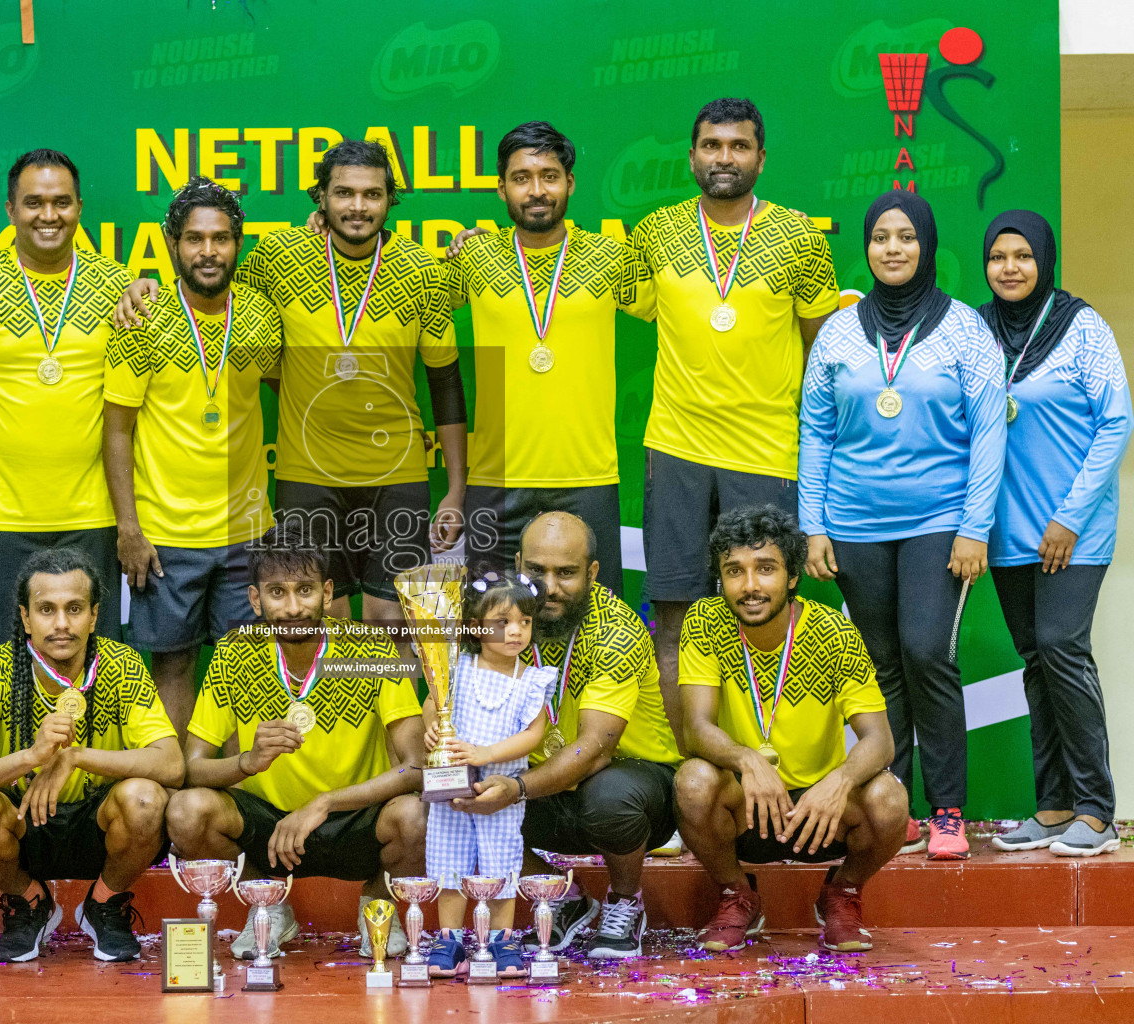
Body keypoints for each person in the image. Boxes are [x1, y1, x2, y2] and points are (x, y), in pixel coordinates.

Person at [117, 140, 468, 634]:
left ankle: (403, 715)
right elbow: (209, 284)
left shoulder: (421, 270)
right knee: (325, 618)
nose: (358, 206)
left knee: (394, 621)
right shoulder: (280, 256)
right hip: (307, 473)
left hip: (397, 472)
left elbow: (446, 382)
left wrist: (454, 489)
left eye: (372, 194)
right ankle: (342, 715)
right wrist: (143, 285)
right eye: (343, 193)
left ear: (391, 199)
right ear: (320, 199)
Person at [800, 190, 1006, 859]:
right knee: (880, 664)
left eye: (906, 237)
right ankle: (894, 800)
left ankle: (946, 808)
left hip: (939, 522)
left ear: (926, 245)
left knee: (926, 653)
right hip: (853, 523)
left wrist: (975, 525)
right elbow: (816, 430)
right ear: (867, 247)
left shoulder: (965, 330)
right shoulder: (837, 330)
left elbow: (987, 434)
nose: (892, 249)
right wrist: (814, 525)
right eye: (881, 237)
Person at [626, 98, 839, 742]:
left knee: (764, 617)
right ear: (692, 156)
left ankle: (762, 773)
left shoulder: (801, 237)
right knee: (676, 616)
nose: (725, 158)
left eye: (739, 146)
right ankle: (681, 784)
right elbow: (588, 280)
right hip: (676, 449)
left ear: (761, 158)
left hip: (766, 454)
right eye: (712, 146)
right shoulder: (654, 232)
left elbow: (820, 348)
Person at [165, 521, 426, 962]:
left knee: (418, 815)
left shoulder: (370, 650)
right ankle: (269, 906)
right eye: (277, 593)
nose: (292, 606)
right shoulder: (233, 654)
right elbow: (191, 769)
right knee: (187, 811)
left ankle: (378, 906)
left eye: (304, 590)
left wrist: (324, 803)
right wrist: (247, 762)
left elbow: (416, 764)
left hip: (352, 817)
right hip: (267, 831)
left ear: (326, 593)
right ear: (255, 599)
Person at [0, 149, 131, 652]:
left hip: (92, 517)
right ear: (10, 210)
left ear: (80, 207)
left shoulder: (117, 287)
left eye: (61, 202)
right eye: (34, 203)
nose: (48, 215)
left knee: (92, 670)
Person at [674, 505, 908, 953]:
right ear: (720, 579)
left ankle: (842, 892)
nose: (750, 586)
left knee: (889, 799)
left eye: (766, 569)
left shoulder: (834, 632)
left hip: (818, 815)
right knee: (693, 781)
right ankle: (736, 893)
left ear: (793, 576)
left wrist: (838, 781)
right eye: (734, 571)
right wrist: (746, 761)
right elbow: (697, 729)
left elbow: (880, 740)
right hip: (745, 804)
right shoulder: (705, 621)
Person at [449, 511, 682, 960]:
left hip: (629, 783)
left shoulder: (616, 630)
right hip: (538, 786)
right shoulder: (496, 621)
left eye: (567, 573)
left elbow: (594, 750)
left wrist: (514, 789)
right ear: (519, 565)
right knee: (453, 796)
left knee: (610, 795)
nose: (550, 587)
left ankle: (625, 902)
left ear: (592, 573)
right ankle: (563, 899)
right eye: (536, 571)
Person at [0, 547, 183, 964]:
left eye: (74, 609)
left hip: (98, 826)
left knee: (146, 799)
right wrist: (31, 757)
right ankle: (30, 902)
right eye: (46, 609)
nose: (61, 624)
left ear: (93, 615)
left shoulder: (121, 664)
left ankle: (104, 902)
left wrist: (76, 757)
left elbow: (171, 764)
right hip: (20, 823)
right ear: (25, 617)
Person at [104, 177, 283, 740]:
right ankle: (172, 799)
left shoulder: (260, 315)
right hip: (164, 535)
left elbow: (296, 394)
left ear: (238, 244)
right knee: (172, 664)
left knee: (243, 669)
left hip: (248, 531)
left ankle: (229, 802)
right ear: (172, 243)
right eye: (194, 239)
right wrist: (129, 528)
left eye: (222, 239)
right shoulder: (142, 320)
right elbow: (117, 431)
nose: (208, 252)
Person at [978, 212, 1131, 858]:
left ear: (1045, 259)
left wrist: (1070, 516)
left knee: (1062, 650)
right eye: (997, 257)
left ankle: (1098, 809)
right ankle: (1054, 804)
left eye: (1022, 255)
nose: (1010, 267)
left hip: (1074, 528)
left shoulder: (1081, 327)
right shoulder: (977, 333)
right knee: (1035, 663)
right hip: (1007, 533)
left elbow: (1116, 421)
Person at [441, 122, 635, 596]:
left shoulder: (613, 258)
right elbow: (401, 286)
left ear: (570, 183)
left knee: (599, 626)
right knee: (489, 632)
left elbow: (693, 295)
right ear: (501, 187)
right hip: (495, 481)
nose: (536, 190)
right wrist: (320, 232)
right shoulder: (473, 257)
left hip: (587, 478)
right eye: (521, 177)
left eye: (549, 176)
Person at [424, 571, 558, 979]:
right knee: (450, 863)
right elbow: (434, 703)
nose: (515, 631)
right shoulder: (456, 668)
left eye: (525, 622)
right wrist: (433, 726)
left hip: (500, 793)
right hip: (451, 790)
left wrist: (486, 753)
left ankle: (502, 939)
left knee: (500, 864)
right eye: (502, 622)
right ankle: (449, 939)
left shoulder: (532, 680)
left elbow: (533, 736)